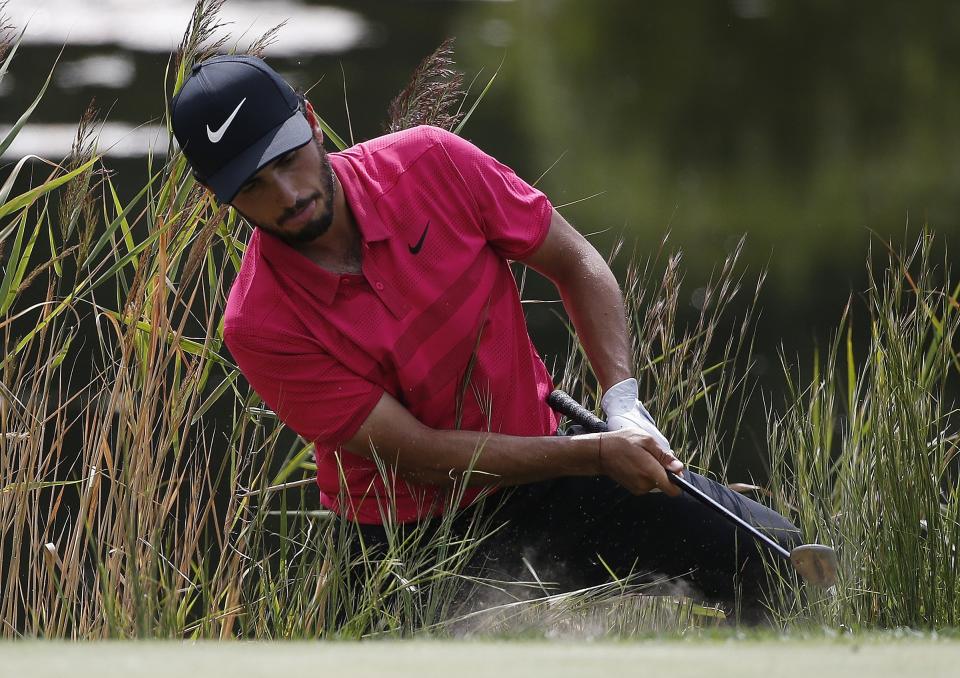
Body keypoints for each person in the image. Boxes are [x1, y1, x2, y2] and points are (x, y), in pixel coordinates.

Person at [171, 54, 800, 618]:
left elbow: (574, 262)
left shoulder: (430, 162)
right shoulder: (259, 323)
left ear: (310, 120)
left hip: (545, 470)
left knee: (778, 562)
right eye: (252, 186)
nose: (288, 196)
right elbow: (420, 452)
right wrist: (596, 454)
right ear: (214, 197)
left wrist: (622, 404)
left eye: (287, 161)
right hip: (403, 541)